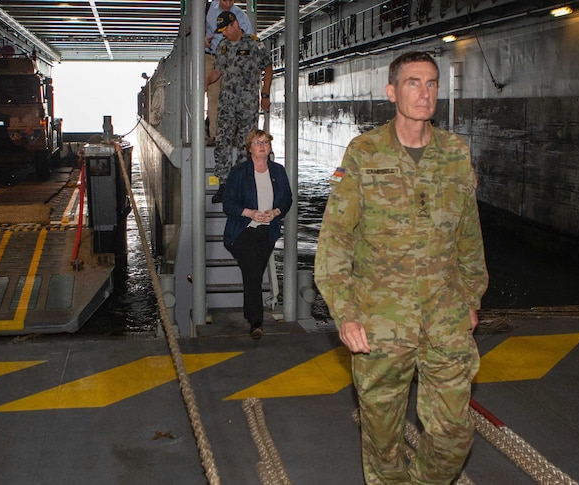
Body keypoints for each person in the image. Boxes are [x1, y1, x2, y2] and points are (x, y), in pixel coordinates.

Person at [314, 51, 489, 484]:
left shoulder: (455, 154)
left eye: (431, 83)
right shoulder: (364, 154)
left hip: (445, 318)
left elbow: (470, 237)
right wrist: (346, 312)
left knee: (452, 437)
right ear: (391, 91)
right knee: (382, 441)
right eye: (413, 82)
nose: (425, 92)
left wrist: (470, 298)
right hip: (381, 325)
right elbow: (335, 242)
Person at [223, 129, 292, 339]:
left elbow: (287, 199)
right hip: (243, 232)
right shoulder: (239, 172)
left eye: (265, 142)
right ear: (249, 148)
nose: (262, 146)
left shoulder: (278, 171)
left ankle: (248, 311)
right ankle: (256, 323)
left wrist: (276, 212)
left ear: (270, 147)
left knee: (253, 274)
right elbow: (228, 204)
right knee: (253, 274)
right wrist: (251, 213)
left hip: (267, 232)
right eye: (257, 142)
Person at [206, 10, 273, 203]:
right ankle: (224, 185)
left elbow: (268, 69)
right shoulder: (223, 47)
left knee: (247, 144)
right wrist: (205, 82)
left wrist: (265, 95)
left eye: (225, 29)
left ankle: (241, 185)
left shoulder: (255, 44)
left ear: (234, 24)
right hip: (227, 103)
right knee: (223, 141)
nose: (223, 34)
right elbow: (217, 71)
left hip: (247, 104)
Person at [204, 0, 253, 144]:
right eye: (224, 0)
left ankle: (238, 135)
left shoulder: (241, 17)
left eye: (231, 0)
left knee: (233, 97)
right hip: (211, 55)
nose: (227, 3)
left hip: (233, 59)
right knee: (214, 96)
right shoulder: (207, 10)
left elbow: (249, 41)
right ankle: (215, 135)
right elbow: (192, 29)